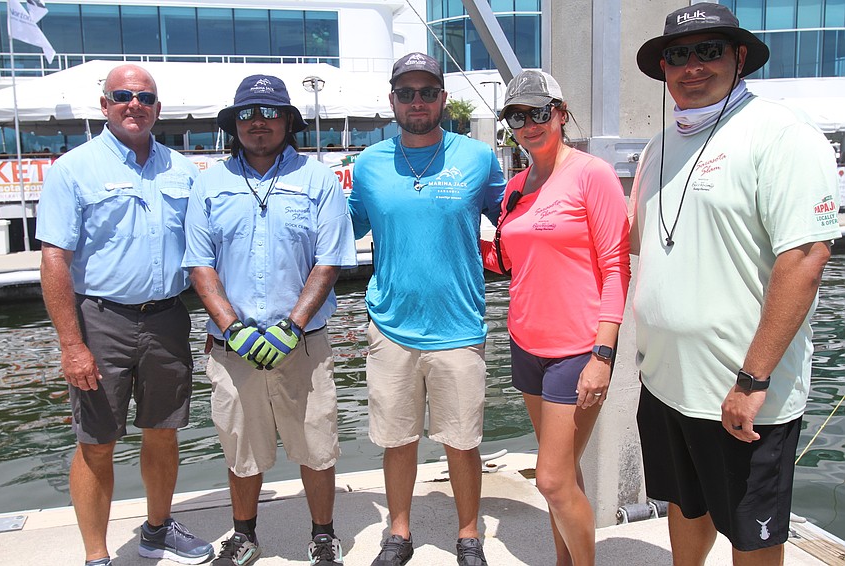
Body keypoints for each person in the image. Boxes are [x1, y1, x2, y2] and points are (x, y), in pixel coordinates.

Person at [630, 4, 840, 565]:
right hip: (666, 383)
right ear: (664, 68)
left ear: (739, 56)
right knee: (685, 504)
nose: (692, 66)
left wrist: (752, 378)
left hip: (742, 393)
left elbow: (805, 257)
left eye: (709, 50)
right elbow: (638, 245)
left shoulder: (782, 133)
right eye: (679, 55)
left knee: (752, 535)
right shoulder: (659, 146)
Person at [36, 64, 213, 566]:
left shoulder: (181, 170)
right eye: (122, 95)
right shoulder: (74, 169)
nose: (133, 104)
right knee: (97, 442)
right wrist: (72, 345)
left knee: (163, 432)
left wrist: (218, 320)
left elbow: (203, 254)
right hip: (100, 320)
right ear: (105, 105)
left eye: (144, 97)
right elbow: (54, 259)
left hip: (167, 318)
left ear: (157, 108)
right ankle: (96, 556)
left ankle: (157, 530)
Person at [183, 74, 356, 566]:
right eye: (247, 114)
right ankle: (244, 535)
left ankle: (323, 534)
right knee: (241, 446)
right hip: (232, 346)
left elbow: (330, 260)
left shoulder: (318, 180)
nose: (258, 123)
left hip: (302, 343)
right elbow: (200, 264)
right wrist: (233, 327)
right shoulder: (210, 183)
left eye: (269, 113)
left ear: (288, 122)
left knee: (317, 444)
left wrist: (291, 326)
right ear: (234, 124)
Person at [348, 52, 506, 566]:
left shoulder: (479, 158)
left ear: (443, 98)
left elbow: (515, 221)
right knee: (397, 440)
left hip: (459, 327)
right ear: (392, 100)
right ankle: (399, 532)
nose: (417, 101)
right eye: (406, 93)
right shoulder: (369, 164)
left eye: (427, 91)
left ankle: (468, 535)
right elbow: (336, 235)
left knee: (463, 442)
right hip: (391, 326)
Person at [481, 71, 630, 566]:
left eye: (539, 112)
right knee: (563, 475)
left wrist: (603, 354)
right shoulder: (516, 187)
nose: (529, 124)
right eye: (517, 116)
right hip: (525, 344)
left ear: (560, 113)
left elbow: (616, 266)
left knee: (549, 477)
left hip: (577, 349)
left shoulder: (593, 174)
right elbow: (511, 260)